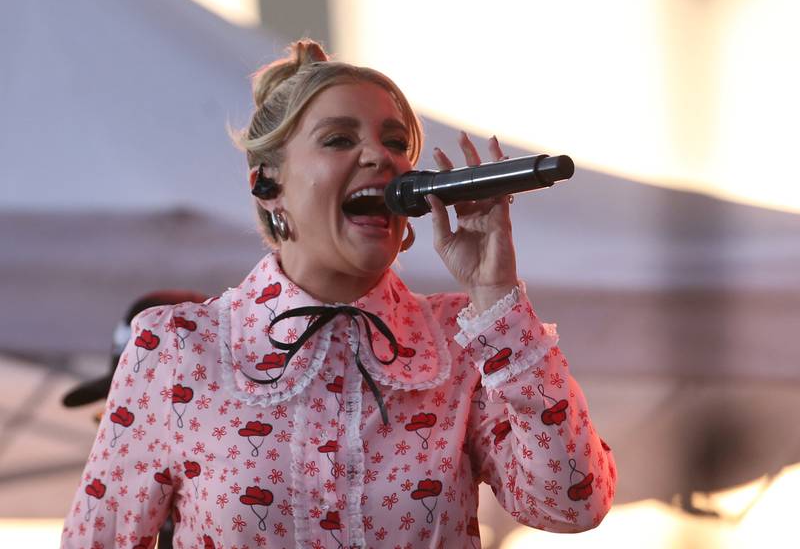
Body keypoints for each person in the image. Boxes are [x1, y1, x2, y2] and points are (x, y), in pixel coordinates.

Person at [62, 39, 616, 549]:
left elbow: (572, 504)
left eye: (395, 143)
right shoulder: (176, 348)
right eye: (339, 140)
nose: (380, 157)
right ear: (266, 182)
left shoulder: (463, 338)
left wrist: (495, 295)